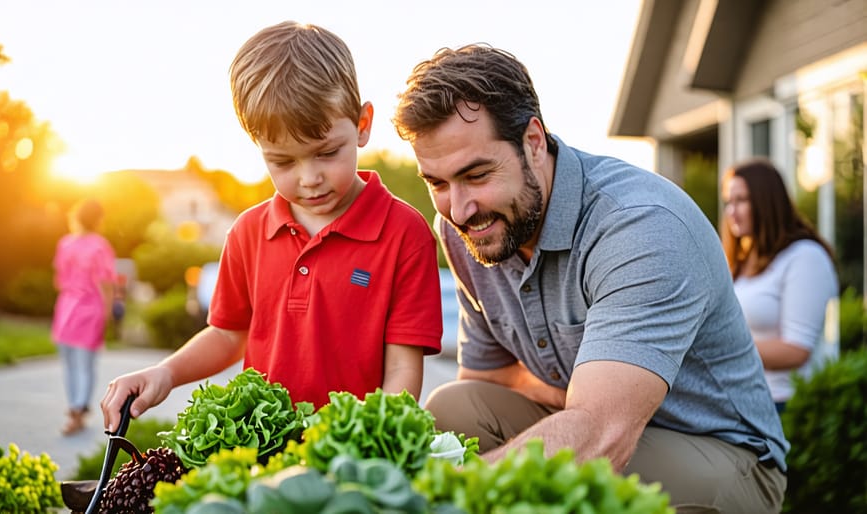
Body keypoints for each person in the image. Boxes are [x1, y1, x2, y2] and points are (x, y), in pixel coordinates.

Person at [392, 44, 788, 513]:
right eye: (437, 183)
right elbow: (489, 378)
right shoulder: (470, 228)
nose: (459, 209)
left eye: (476, 174)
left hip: (724, 454)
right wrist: (578, 403)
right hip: (595, 420)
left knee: (584, 455)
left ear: (533, 142)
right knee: (456, 408)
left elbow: (602, 436)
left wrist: (441, 496)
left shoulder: (640, 226)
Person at [101, 21, 442, 430]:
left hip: (353, 460)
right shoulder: (248, 232)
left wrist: (372, 439)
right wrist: (166, 373)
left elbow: (403, 370)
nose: (309, 177)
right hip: (261, 454)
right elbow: (228, 335)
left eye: (327, 152)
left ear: (363, 124)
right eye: (282, 161)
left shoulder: (405, 233)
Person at [721, 158, 838, 413]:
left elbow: (796, 351)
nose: (732, 211)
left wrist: (718, 348)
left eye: (741, 201)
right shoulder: (741, 262)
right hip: (742, 401)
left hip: (788, 405)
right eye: (729, 202)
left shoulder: (805, 257)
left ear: (766, 202)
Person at [52, 198, 117, 435]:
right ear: (99, 219)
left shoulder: (65, 243)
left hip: (67, 307)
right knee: (85, 364)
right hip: (91, 308)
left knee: (69, 362)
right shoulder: (100, 246)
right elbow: (107, 283)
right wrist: (108, 313)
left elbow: (58, 279)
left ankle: (74, 410)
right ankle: (78, 410)